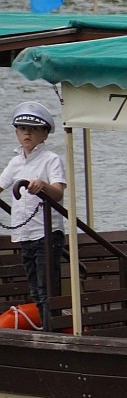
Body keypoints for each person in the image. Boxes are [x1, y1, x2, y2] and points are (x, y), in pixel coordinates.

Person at [0, 101, 66, 331]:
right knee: (35, 288)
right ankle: (47, 328)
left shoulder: (50, 159)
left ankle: (51, 330)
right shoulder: (15, 161)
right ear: (17, 132)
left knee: (47, 287)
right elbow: (1, 184)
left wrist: (43, 186)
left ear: (44, 133)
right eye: (22, 128)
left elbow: (58, 192)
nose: (27, 133)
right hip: (25, 232)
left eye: (33, 129)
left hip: (46, 232)